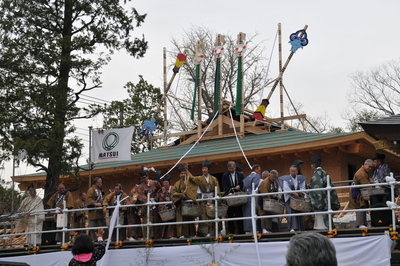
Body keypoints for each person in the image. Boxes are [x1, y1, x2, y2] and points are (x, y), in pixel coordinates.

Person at [127, 166, 162, 240]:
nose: (143, 179)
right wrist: (146, 201)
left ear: (148, 176)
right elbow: (138, 196)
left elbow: (160, 191)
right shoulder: (139, 187)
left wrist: (155, 199)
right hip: (146, 206)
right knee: (146, 222)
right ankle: (147, 237)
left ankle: (157, 237)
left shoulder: (155, 183)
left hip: (155, 204)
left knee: (156, 221)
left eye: (144, 178)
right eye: (142, 178)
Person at [307, 154, 340, 230]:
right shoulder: (323, 172)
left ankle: (324, 228)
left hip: (322, 199)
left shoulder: (317, 174)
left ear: (313, 165)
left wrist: (318, 203)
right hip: (327, 197)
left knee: (322, 218)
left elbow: (317, 190)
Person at [189, 159, 220, 237]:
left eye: (205, 169)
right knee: (203, 216)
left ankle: (212, 232)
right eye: (203, 169)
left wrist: (217, 197)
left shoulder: (214, 179)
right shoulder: (199, 178)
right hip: (203, 200)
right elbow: (192, 178)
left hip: (211, 199)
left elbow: (217, 189)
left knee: (211, 215)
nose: (204, 170)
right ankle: (203, 233)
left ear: (208, 170)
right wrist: (186, 170)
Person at [172, 164, 199, 238]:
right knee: (181, 220)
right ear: (179, 175)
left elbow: (193, 190)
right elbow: (173, 193)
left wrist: (189, 196)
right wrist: (180, 195)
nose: (183, 175)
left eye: (184, 173)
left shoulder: (190, 182)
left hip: (188, 204)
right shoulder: (177, 184)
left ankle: (190, 235)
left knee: (189, 219)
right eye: (182, 173)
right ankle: (181, 235)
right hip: (181, 204)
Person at [280, 165, 307, 232]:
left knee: (299, 212)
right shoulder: (286, 179)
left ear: (297, 172)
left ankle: (300, 228)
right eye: (292, 171)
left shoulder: (301, 178)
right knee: (291, 212)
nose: (293, 172)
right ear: (290, 171)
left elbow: (303, 187)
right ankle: (292, 228)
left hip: (298, 198)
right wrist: (294, 193)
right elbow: (286, 189)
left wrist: (300, 192)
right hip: (289, 197)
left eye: (294, 171)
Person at [349, 159, 374, 228]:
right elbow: (366, 185)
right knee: (360, 207)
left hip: (360, 191)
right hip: (357, 193)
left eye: (372, 167)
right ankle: (360, 224)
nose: (370, 169)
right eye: (369, 166)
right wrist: (374, 188)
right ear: (365, 164)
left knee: (363, 206)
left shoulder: (363, 171)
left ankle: (363, 223)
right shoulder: (361, 173)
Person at [221, 161, 244, 235]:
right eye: (230, 168)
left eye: (232, 168)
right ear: (228, 168)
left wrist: (239, 186)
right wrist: (230, 190)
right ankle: (231, 231)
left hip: (238, 195)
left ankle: (241, 231)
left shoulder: (239, 174)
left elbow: (243, 183)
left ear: (235, 167)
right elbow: (224, 185)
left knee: (239, 214)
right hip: (230, 196)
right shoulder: (225, 175)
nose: (231, 169)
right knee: (230, 214)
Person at [242, 164, 262, 234]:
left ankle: (247, 229)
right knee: (254, 212)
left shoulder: (247, 177)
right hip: (253, 195)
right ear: (256, 169)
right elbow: (256, 186)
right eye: (259, 170)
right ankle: (254, 229)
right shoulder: (256, 176)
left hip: (246, 195)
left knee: (247, 213)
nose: (260, 172)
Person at [86, 177, 107, 242]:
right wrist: (95, 203)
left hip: (99, 212)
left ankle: (102, 238)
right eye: (100, 182)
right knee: (93, 226)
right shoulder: (91, 190)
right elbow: (89, 199)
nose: (101, 184)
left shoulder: (99, 191)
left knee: (102, 225)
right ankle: (93, 240)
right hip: (93, 212)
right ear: (97, 183)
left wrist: (104, 206)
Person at [157, 174, 177, 239]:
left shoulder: (173, 189)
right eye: (164, 183)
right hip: (165, 209)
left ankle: (174, 235)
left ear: (169, 183)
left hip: (173, 208)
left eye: (166, 182)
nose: (165, 184)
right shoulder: (162, 190)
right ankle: (166, 236)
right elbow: (160, 200)